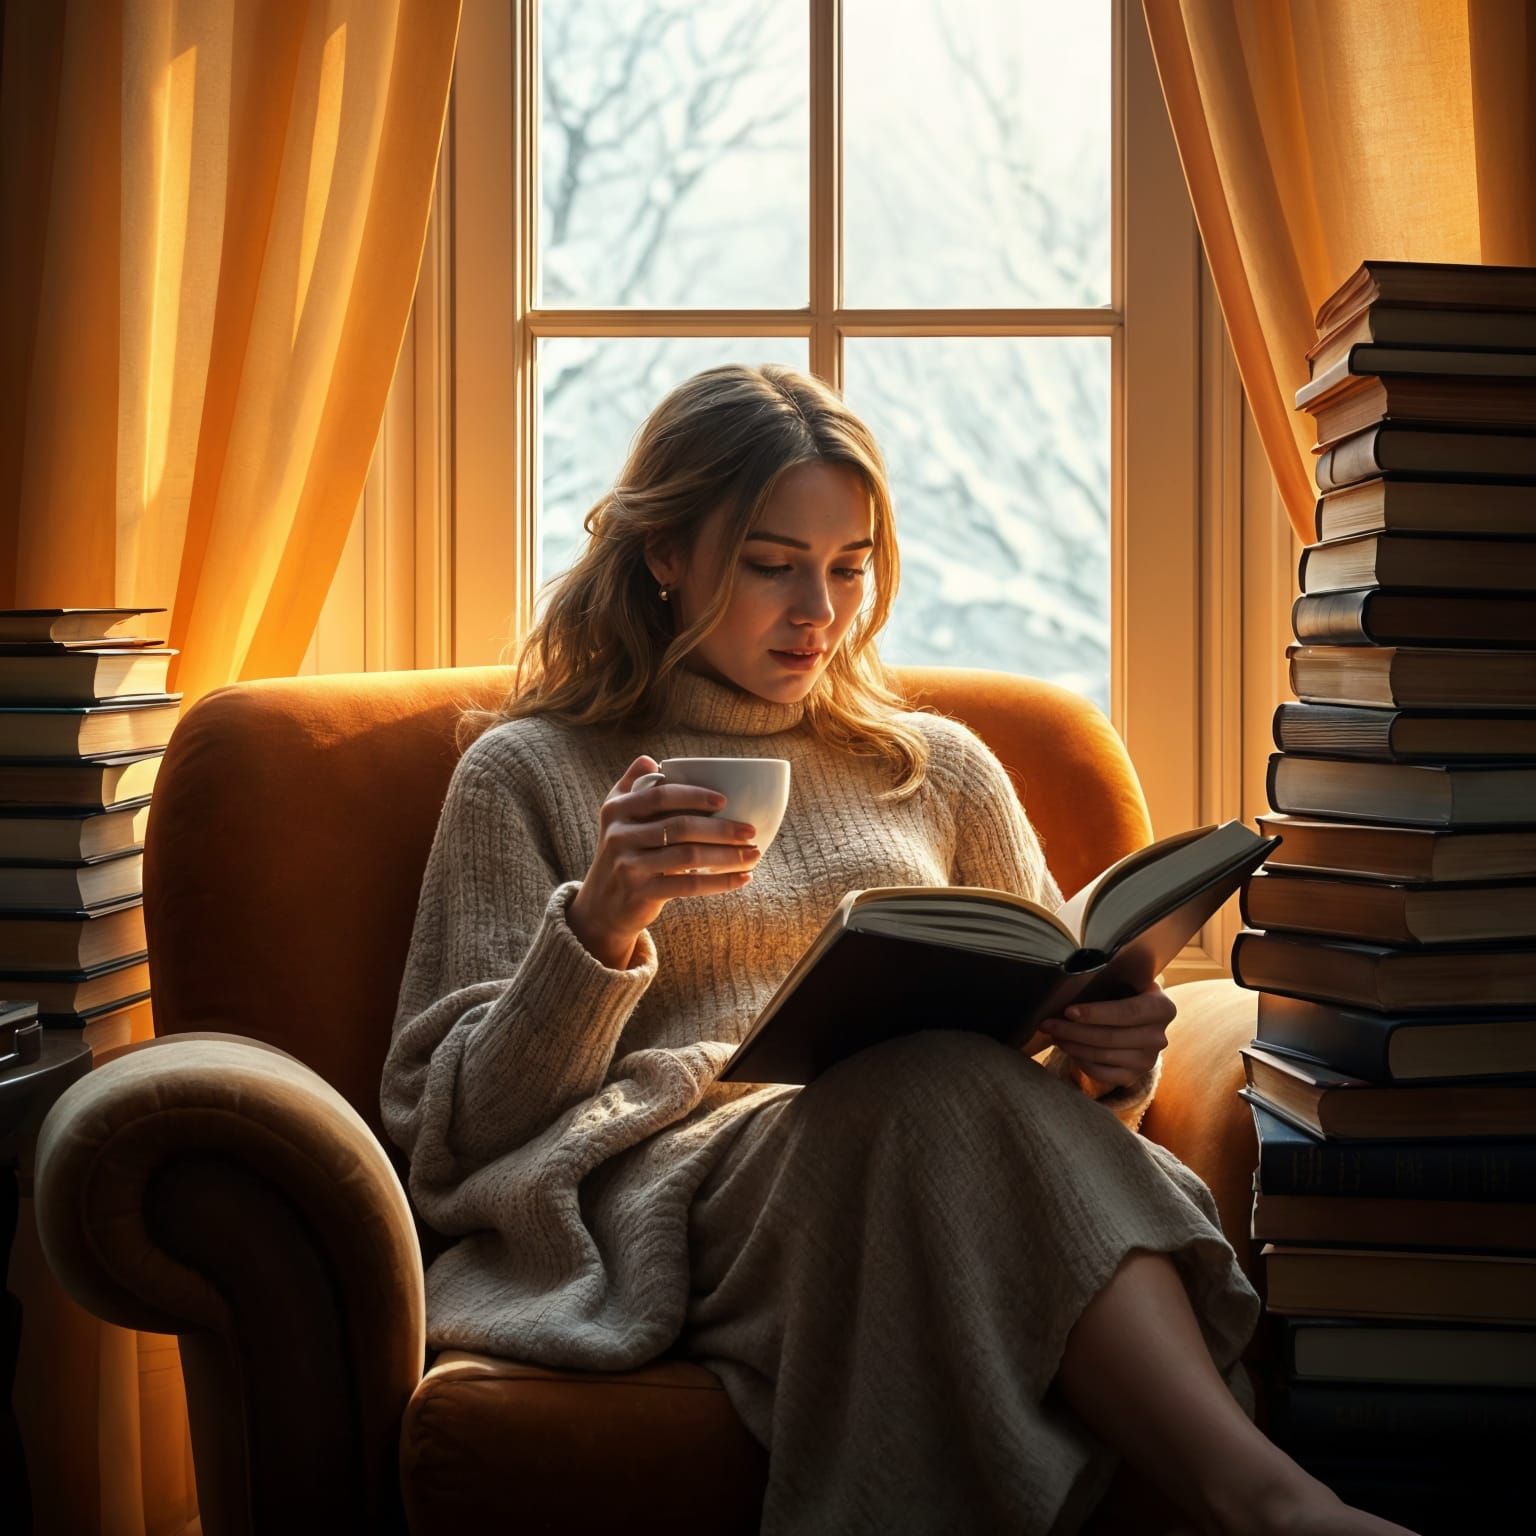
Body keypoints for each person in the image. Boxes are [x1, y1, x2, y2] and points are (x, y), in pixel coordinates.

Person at [380, 364, 1419, 1536]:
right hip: (676, 1195)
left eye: (849, 565)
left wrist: (1108, 1061)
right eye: (771, 565)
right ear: (664, 552)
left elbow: (1038, 1054)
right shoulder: (527, 771)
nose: (816, 610)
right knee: (929, 1087)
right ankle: (1267, 1500)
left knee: (933, 1085)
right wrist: (601, 924)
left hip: (913, 1163)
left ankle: (1267, 1503)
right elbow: (448, 1127)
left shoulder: (936, 767)